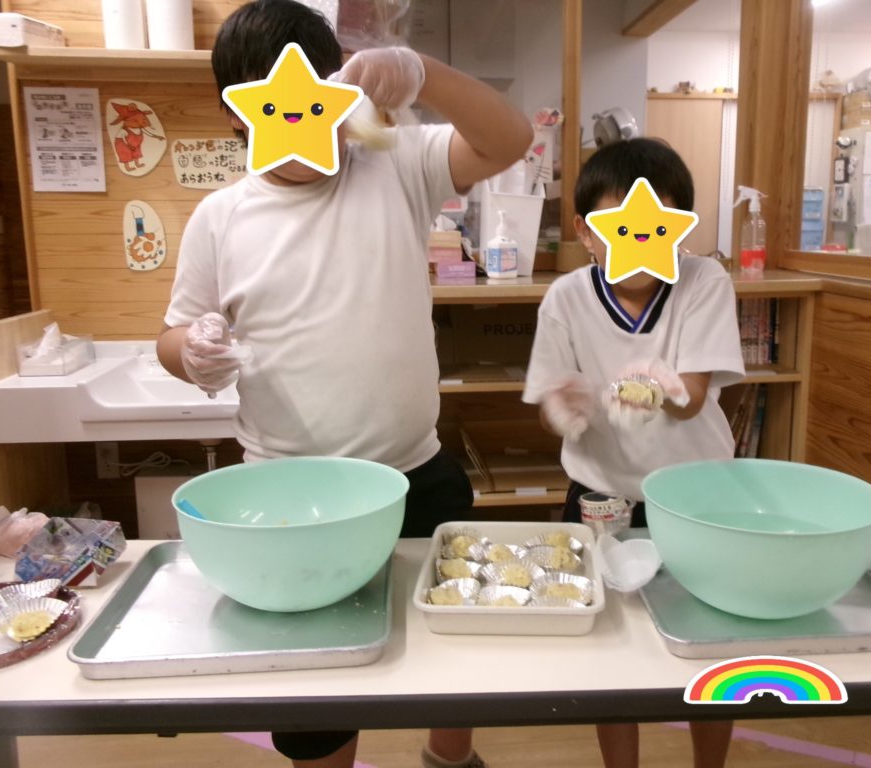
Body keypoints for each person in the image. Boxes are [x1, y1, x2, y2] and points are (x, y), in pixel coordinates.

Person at [156, 2, 532, 767]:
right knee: (314, 694)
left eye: (319, 101)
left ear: (344, 95)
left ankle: (449, 757)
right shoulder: (220, 218)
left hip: (415, 473)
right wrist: (189, 352)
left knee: (452, 659)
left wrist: (423, 74)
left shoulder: (395, 164)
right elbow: (173, 332)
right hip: (288, 501)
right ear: (238, 115)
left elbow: (510, 140)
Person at [522, 137, 742, 768]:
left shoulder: (704, 280)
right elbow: (550, 400)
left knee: (709, 644)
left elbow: (692, 398)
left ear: (682, 229)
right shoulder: (566, 298)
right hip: (602, 496)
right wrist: (563, 408)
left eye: (657, 226)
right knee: (610, 648)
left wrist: (662, 387)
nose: (639, 243)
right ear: (586, 233)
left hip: (695, 498)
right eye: (619, 226)